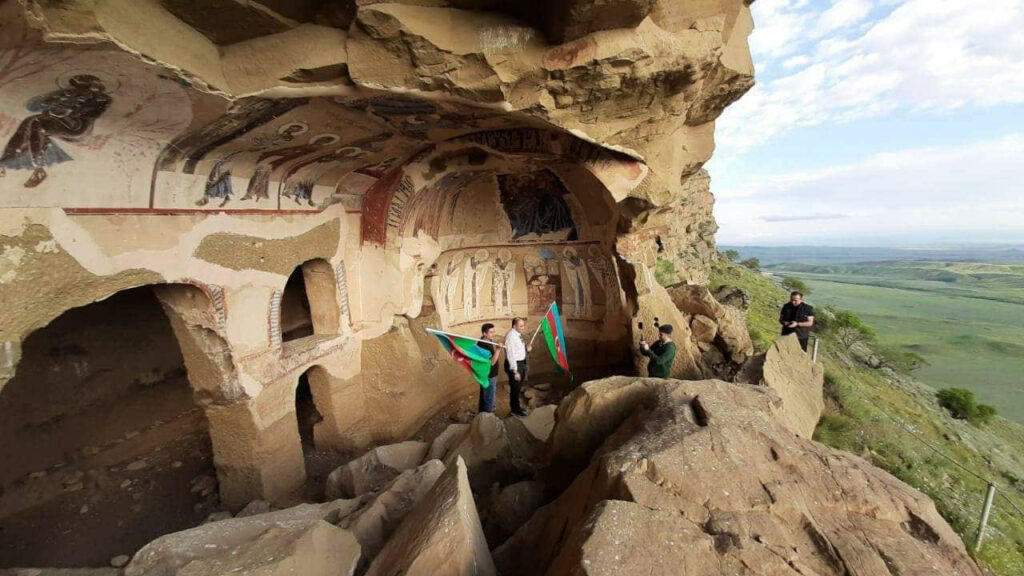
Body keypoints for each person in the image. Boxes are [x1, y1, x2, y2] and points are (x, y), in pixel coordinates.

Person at [503, 317, 532, 417]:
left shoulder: (517, 334)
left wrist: (527, 349)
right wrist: (515, 371)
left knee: (518, 387)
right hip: (515, 365)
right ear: (514, 326)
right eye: (521, 326)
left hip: (520, 364)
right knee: (515, 388)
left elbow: (518, 349)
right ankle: (515, 410)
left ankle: (517, 407)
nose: (523, 328)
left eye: (523, 325)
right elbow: (510, 354)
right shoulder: (511, 336)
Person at [478, 323, 503, 413]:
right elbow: (492, 363)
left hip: (487, 374)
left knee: (485, 395)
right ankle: (487, 416)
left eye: (494, 332)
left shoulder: (487, 341)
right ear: (484, 333)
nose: (493, 334)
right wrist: (498, 350)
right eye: (491, 332)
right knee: (489, 397)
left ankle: (482, 414)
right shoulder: (483, 346)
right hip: (489, 375)